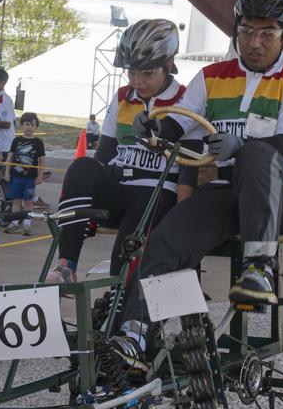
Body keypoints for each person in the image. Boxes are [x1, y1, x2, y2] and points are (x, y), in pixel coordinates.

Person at [109, 0, 283, 373]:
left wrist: (241, 145)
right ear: (236, 31)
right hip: (228, 194)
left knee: (258, 151)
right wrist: (152, 128)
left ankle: (261, 268)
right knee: (167, 238)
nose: (255, 42)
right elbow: (178, 121)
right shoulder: (212, 76)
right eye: (247, 31)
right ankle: (134, 335)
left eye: (267, 33)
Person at [49, 19, 185, 282]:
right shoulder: (123, 96)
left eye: (147, 74)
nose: (138, 82)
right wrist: (89, 191)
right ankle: (67, 265)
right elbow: (104, 152)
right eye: (132, 73)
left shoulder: (186, 98)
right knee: (81, 167)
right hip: (120, 188)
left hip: (156, 191)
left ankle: (123, 300)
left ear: (168, 65)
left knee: (122, 262)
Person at [2, 113, 46, 235]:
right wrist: (7, 172)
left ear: (36, 127)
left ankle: (27, 225)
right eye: (26, 124)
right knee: (16, 201)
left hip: (30, 179)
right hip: (16, 177)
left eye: (32, 125)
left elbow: (42, 159)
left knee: (28, 202)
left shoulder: (38, 142)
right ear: (22, 125)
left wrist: (40, 175)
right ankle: (15, 223)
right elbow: (10, 157)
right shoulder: (16, 140)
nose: (29, 127)